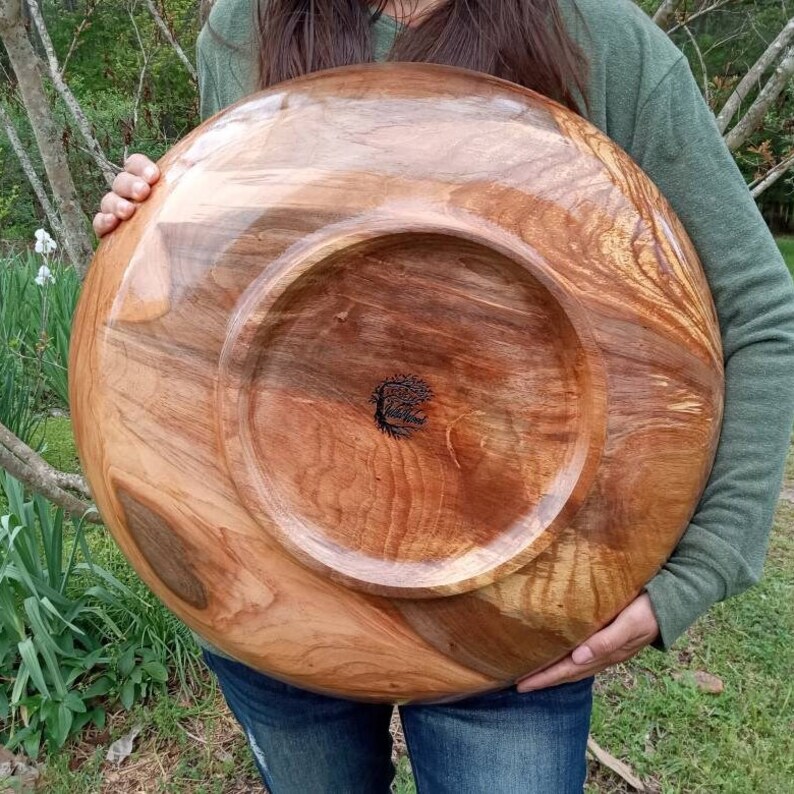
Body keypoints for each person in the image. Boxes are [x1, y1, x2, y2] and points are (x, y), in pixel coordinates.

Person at [93, 1, 794, 791]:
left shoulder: (596, 36)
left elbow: (757, 307)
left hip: (512, 609)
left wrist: (702, 566)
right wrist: (149, 222)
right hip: (273, 584)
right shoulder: (248, 24)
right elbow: (231, 270)